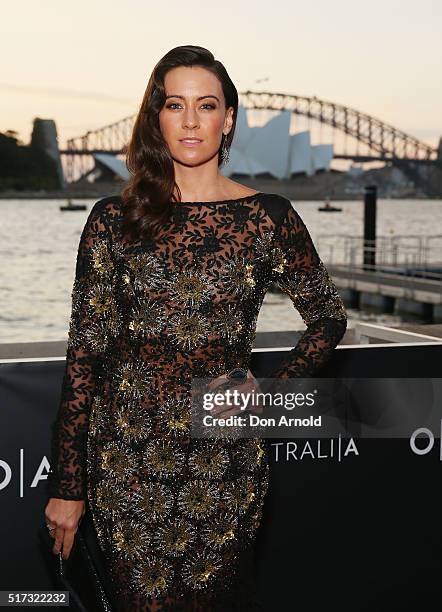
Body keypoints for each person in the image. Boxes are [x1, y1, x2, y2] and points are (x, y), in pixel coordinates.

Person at [44, 45, 347, 611]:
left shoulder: (269, 217)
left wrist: (272, 391)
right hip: (127, 461)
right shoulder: (114, 219)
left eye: (205, 105)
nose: (189, 120)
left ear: (228, 118)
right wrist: (68, 484)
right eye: (174, 104)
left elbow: (328, 319)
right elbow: (84, 355)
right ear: (156, 117)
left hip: (224, 457)